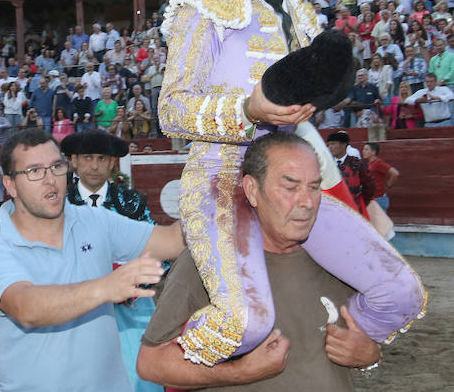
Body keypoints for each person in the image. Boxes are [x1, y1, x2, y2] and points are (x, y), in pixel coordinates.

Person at [158, 0, 426, 366]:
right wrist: (247, 109)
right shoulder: (203, 6)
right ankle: (175, 366)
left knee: (401, 292)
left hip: (291, 179)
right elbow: (171, 109)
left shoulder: (303, 17)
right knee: (243, 324)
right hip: (221, 176)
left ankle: (320, 354)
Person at [136, 132, 417, 391]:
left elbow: (361, 341)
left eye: (314, 187)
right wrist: (241, 371)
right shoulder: (207, 261)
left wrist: (370, 354)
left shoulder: (344, 260)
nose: (306, 202)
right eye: (290, 187)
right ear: (252, 190)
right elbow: (150, 363)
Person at [0, 129, 185, 392]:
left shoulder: (95, 221)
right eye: (34, 171)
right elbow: (26, 307)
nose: (50, 180)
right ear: (10, 185)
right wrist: (106, 287)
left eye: (56, 166)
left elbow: (173, 241)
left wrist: (216, 194)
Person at [61, 130, 183, 392]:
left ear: (112, 163)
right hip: (73, 306)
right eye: (87, 158)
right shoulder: (59, 205)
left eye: (102, 159)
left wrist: (138, 278)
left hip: (130, 308)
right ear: (74, 161)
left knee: (136, 373)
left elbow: (160, 255)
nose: (94, 165)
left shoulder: (132, 203)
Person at [326, 131, 376, 217]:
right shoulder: (326, 165)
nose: (330, 147)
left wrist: (360, 202)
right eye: (329, 145)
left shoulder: (357, 164)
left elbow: (369, 187)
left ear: (344, 145)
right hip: (331, 211)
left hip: (352, 209)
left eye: (333, 144)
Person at [362, 142, 398, 213]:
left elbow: (395, 173)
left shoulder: (378, 162)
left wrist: (388, 184)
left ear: (373, 152)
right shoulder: (370, 163)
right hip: (373, 198)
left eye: (366, 149)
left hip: (378, 199)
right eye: (363, 149)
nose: (363, 151)